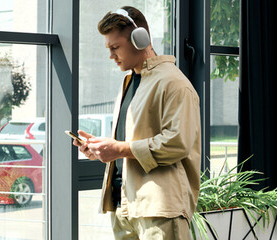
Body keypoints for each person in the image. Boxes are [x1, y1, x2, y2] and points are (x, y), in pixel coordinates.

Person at [72, 6, 201, 239]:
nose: (111, 55)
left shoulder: (174, 84)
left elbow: (177, 142)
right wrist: (101, 150)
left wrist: (119, 148)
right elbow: (130, 142)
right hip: (125, 205)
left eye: (115, 47)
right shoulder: (129, 82)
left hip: (161, 209)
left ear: (140, 39)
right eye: (108, 48)